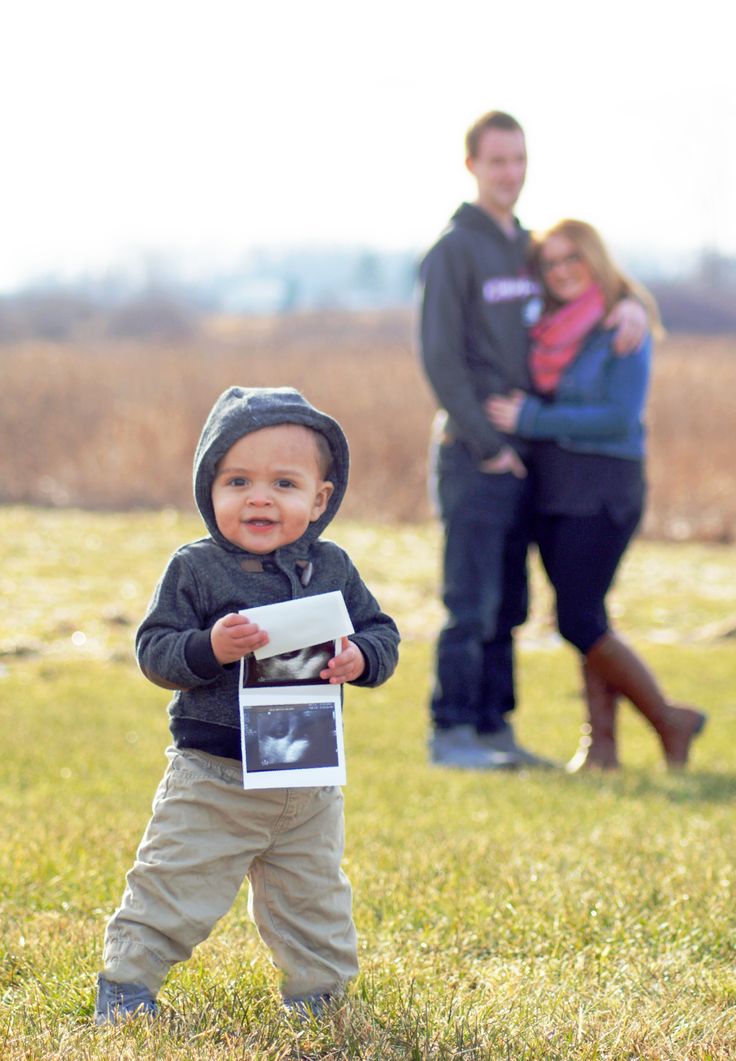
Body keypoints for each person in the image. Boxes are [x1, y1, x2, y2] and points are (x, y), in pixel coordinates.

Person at [95, 385, 400, 1023]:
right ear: (209, 490)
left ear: (320, 499)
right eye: (237, 481)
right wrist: (208, 645)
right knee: (174, 885)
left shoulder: (333, 568)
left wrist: (361, 659)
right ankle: (126, 990)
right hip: (214, 776)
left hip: (306, 775)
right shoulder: (197, 569)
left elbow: (382, 633)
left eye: (284, 484)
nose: (258, 497)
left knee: (314, 899)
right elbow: (155, 650)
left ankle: (320, 1000)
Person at [419, 110, 646, 770]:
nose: (510, 174)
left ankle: (495, 727)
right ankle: (452, 728)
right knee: (470, 599)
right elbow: (441, 360)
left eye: (519, 161)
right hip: (474, 452)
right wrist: (486, 440)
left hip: (524, 460)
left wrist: (630, 304)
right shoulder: (454, 250)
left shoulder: (524, 245)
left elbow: (588, 283)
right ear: (472, 166)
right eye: (497, 162)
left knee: (509, 602)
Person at [487, 219, 707, 770]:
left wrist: (531, 417)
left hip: (604, 488)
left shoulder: (621, 326)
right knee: (589, 614)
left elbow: (617, 416)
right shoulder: (553, 328)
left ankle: (669, 719)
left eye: (571, 260)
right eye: (551, 264)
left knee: (577, 619)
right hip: (557, 490)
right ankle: (602, 748)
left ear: (593, 259)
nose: (561, 272)